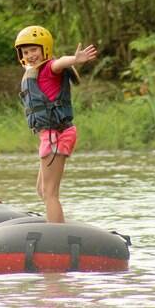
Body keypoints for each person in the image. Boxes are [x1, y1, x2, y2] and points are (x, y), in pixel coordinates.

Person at [13, 25, 97, 223]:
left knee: (50, 193)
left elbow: (60, 63)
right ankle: (59, 222)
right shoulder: (34, 72)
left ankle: (57, 234)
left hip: (57, 135)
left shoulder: (49, 68)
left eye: (34, 49)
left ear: (45, 49)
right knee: (42, 190)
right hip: (50, 135)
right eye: (26, 52)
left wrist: (75, 60)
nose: (30, 55)